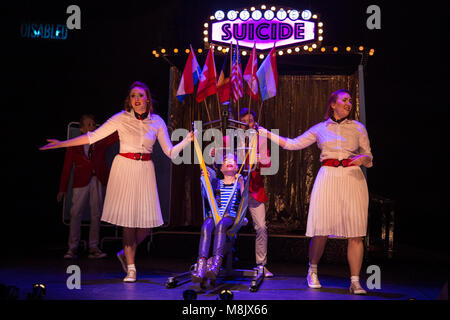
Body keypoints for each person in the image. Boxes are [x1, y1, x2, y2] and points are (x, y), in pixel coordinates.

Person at [41, 81, 194, 282]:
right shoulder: (120, 119)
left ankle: (124, 253)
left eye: (140, 95)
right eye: (133, 96)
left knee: (147, 226)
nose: (137, 99)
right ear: (129, 101)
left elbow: (171, 153)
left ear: (147, 98)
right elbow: (92, 137)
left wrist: (188, 140)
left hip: (145, 170)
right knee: (128, 223)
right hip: (125, 168)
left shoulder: (157, 121)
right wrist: (62, 144)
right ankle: (131, 268)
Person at [258, 89, 373, 294]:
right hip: (328, 176)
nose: (348, 103)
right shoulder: (321, 128)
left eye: (350, 101)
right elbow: (293, 144)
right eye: (344, 100)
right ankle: (312, 270)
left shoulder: (358, 128)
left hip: (353, 178)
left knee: (356, 232)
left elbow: (368, 156)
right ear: (333, 104)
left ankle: (355, 281)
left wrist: (363, 159)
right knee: (321, 229)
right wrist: (266, 133)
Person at [58, 114, 118, 259]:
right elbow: (67, 167)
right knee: (75, 213)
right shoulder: (74, 143)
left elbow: (115, 136)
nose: (93, 127)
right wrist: (62, 189)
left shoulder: (100, 141)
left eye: (94, 124)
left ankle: (93, 247)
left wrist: (125, 122)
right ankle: (73, 247)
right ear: (82, 128)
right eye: (89, 125)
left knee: (96, 213)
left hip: (96, 180)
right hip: (81, 181)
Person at [191, 153, 244, 283]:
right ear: (221, 168)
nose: (229, 161)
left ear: (237, 167)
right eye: (226, 160)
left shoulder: (239, 183)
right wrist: (205, 180)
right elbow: (207, 195)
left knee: (221, 226)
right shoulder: (216, 183)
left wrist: (242, 182)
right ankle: (202, 265)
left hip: (229, 217)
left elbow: (244, 200)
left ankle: (216, 264)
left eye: (233, 161)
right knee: (206, 226)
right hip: (215, 215)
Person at [238, 108, 273, 277]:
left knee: (261, 227)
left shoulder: (260, 140)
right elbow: (213, 154)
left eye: (250, 121)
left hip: (254, 189)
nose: (247, 124)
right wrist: (215, 152)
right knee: (225, 224)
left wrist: (260, 158)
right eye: (243, 121)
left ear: (255, 123)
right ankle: (220, 260)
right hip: (234, 191)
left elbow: (267, 161)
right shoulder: (231, 140)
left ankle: (261, 264)